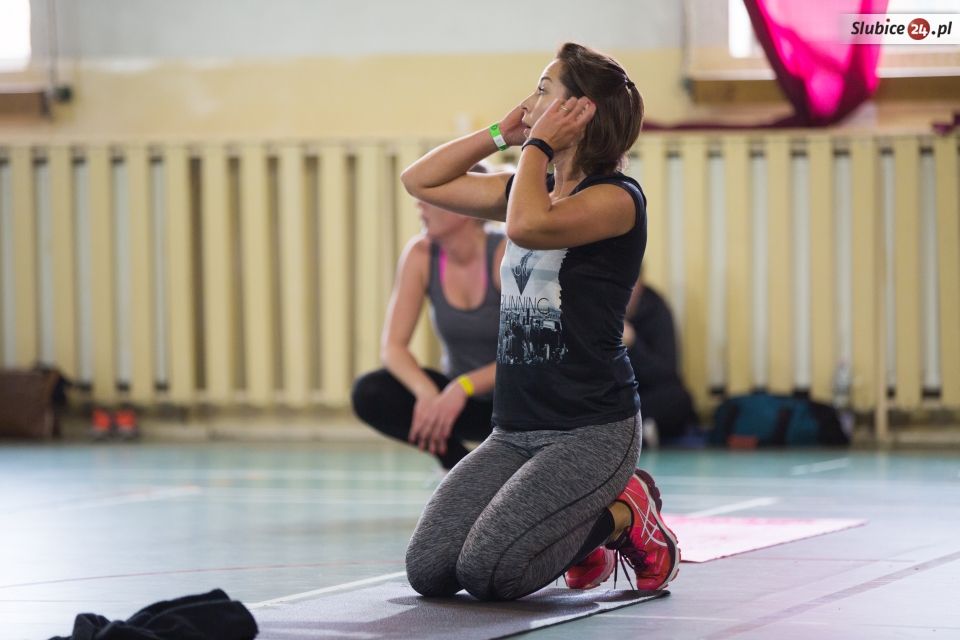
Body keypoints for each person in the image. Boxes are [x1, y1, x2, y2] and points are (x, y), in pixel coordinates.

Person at [400, 42, 679, 601]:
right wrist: (499, 135)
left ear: (579, 112)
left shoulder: (618, 199)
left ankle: (625, 514)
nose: (529, 102)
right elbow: (420, 181)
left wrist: (537, 146)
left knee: (489, 574)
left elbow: (527, 226)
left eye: (543, 91)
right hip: (516, 428)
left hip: (591, 430)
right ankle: (573, 526)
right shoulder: (526, 187)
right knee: (428, 569)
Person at [351, 165, 506, 471]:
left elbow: (530, 356)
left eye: (431, 196)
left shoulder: (505, 253)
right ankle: (459, 468)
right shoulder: (420, 254)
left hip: (516, 401)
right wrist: (426, 392)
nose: (418, 203)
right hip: (459, 403)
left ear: (464, 205)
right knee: (369, 392)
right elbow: (393, 347)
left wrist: (463, 387)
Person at [623, 271, 698, 448]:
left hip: (643, 396)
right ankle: (640, 432)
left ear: (640, 283)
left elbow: (667, 372)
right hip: (609, 396)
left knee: (679, 399)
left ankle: (634, 433)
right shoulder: (596, 308)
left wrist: (633, 345)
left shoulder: (656, 310)